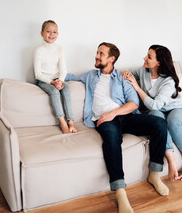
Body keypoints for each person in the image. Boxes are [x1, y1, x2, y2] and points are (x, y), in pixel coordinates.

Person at [66, 42, 169, 213]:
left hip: (125, 116)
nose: (97, 56)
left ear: (112, 59)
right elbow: (69, 76)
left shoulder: (122, 77)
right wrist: (54, 80)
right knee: (112, 139)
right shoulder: (90, 75)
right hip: (104, 121)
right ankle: (120, 191)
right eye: (97, 53)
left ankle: (154, 174)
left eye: (101, 54)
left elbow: (133, 103)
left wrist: (113, 113)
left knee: (159, 123)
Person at [122, 45, 182, 181]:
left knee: (173, 123)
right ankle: (171, 160)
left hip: (175, 109)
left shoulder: (168, 81)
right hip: (156, 111)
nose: (144, 58)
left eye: (149, 57)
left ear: (159, 62)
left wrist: (137, 87)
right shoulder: (143, 71)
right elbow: (129, 72)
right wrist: (125, 73)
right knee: (157, 121)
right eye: (146, 55)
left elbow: (155, 104)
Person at [34, 20, 77, 133]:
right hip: (44, 80)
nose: (51, 34)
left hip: (57, 79)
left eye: (54, 32)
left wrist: (60, 81)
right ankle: (62, 122)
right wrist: (52, 83)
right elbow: (38, 74)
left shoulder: (60, 50)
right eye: (48, 31)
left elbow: (63, 70)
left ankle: (71, 122)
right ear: (42, 33)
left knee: (66, 89)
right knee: (54, 91)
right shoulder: (39, 50)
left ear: (57, 34)